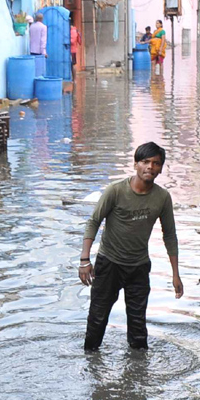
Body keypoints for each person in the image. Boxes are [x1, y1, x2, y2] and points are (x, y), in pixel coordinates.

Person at [78, 142, 183, 351]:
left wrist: (175, 274)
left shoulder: (162, 197)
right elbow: (93, 222)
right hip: (109, 264)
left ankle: (138, 375)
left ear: (161, 168)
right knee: (97, 319)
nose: (150, 167)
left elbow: (169, 235)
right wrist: (84, 260)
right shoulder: (115, 191)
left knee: (138, 327)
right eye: (145, 162)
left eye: (156, 163)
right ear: (136, 164)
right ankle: (90, 367)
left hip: (139, 267)